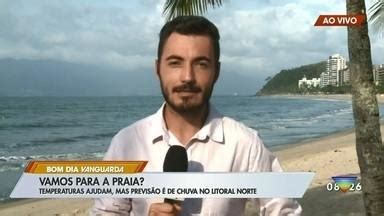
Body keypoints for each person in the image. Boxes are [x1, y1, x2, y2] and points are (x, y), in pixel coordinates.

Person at [92, 16, 302, 216]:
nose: (187, 77)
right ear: (158, 69)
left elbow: (285, 210)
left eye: (201, 64)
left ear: (216, 72)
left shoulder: (244, 145)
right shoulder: (126, 143)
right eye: (175, 63)